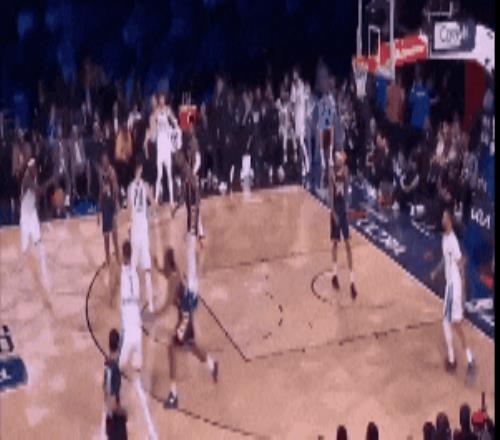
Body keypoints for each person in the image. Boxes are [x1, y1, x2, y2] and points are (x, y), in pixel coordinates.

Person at [145, 247, 218, 409]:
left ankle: (174, 396)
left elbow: (165, 307)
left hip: (184, 319)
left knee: (171, 349)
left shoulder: (173, 281)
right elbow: (165, 272)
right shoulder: (174, 272)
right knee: (191, 346)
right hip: (186, 316)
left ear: (168, 263)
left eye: (164, 262)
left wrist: (151, 316)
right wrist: (157, 267)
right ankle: (212, 364)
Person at [118, 241, 158, 440]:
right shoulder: (134, 273)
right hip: (137, 328)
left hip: (129, 330)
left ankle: (117, 409)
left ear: (123, 255)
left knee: (117, 370)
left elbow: (121, 299)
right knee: (136, 372)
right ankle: (150, 429)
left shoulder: (123, 274)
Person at [430, 209, 476, 381]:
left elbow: (460, 264)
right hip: (451, 286)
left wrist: (462, 291)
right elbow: (447, 259)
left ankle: (458, 360)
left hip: (454, 288)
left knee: (452, 324)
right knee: (452, 324)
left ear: (449, 221)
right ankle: (459, 359)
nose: (442, 219)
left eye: (444, 217)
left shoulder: (453, 241)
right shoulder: (445, 237)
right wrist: (437, 271)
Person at [127, 157, 156, 313]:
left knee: (133, 270)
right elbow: (154, 204)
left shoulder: (130, 188)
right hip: (143, 231)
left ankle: (134, 303)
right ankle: (150, 304)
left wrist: (129, 229)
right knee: (147, 270)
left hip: (135, 231)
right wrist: (149, 216)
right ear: (141, 170)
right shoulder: (145, 186)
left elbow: (129, 211)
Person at [19, 158, 52, 291]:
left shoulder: (33, 177)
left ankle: (43, 267)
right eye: (33, 168)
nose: (35, 170)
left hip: (32, 213)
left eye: (35, 168)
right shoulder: (27, 179)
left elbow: (37, 196)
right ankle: (23, 274)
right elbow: (38, 191)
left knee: (38, 240)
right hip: (25, 215)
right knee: (25, 246)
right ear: (30, 169)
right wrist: (47, 185)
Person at [329, 152, 358, 300]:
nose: (338, 161)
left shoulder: (345, 171)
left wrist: (346, 209)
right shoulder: (331, 172)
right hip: (335, 210)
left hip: (343, 211)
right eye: (337, 159)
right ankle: (334, 275)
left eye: (340, 159)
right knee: (335, 243)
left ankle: (352, 281)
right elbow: (330, 194)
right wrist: (332, 211)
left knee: (348, 244)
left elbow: (346, 190)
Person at [98, 152, 121, 295]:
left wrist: (117, 203)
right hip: (105, 205)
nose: (104, 163)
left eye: (106, 160)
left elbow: (115, 188)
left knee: (115, 235)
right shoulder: (101, 173)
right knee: (106, 236)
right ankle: (107, 259)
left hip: (111, 204)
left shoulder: (112, 172)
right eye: (103, 161)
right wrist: (99, 209)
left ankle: (118, 258)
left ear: (108, 161)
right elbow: (101, 190)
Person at [154, 93, 178, 209]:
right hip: (160, 144)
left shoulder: (168, 110)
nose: (162, 101)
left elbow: (175, 122)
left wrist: (173, 128)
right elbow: (154, 125)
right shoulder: (156, 112)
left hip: (167, 145)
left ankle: (172, 199)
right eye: (160, 99)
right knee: (159, 174)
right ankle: (155, 199)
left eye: (163, 99)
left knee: (169, 174)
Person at [103, 328, 127, 440]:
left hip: (110, 418)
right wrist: (120, 411)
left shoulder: (108, 365)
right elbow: (112, 396)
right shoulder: (115, 369)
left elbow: (106, 391)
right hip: (115, 420)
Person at [290, 67, 310, 178]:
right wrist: (292, 117)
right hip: (297, 116)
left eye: (295, 73)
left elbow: (306, 102)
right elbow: (292, 103)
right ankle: (303, 164)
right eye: (293, 74)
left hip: (302, 116)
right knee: (298, 142)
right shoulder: (293, 87)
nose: (293, 75)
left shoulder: (303, 86)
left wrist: (306, 116)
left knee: (302, 141)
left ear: (298, 74)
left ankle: (306, 163)